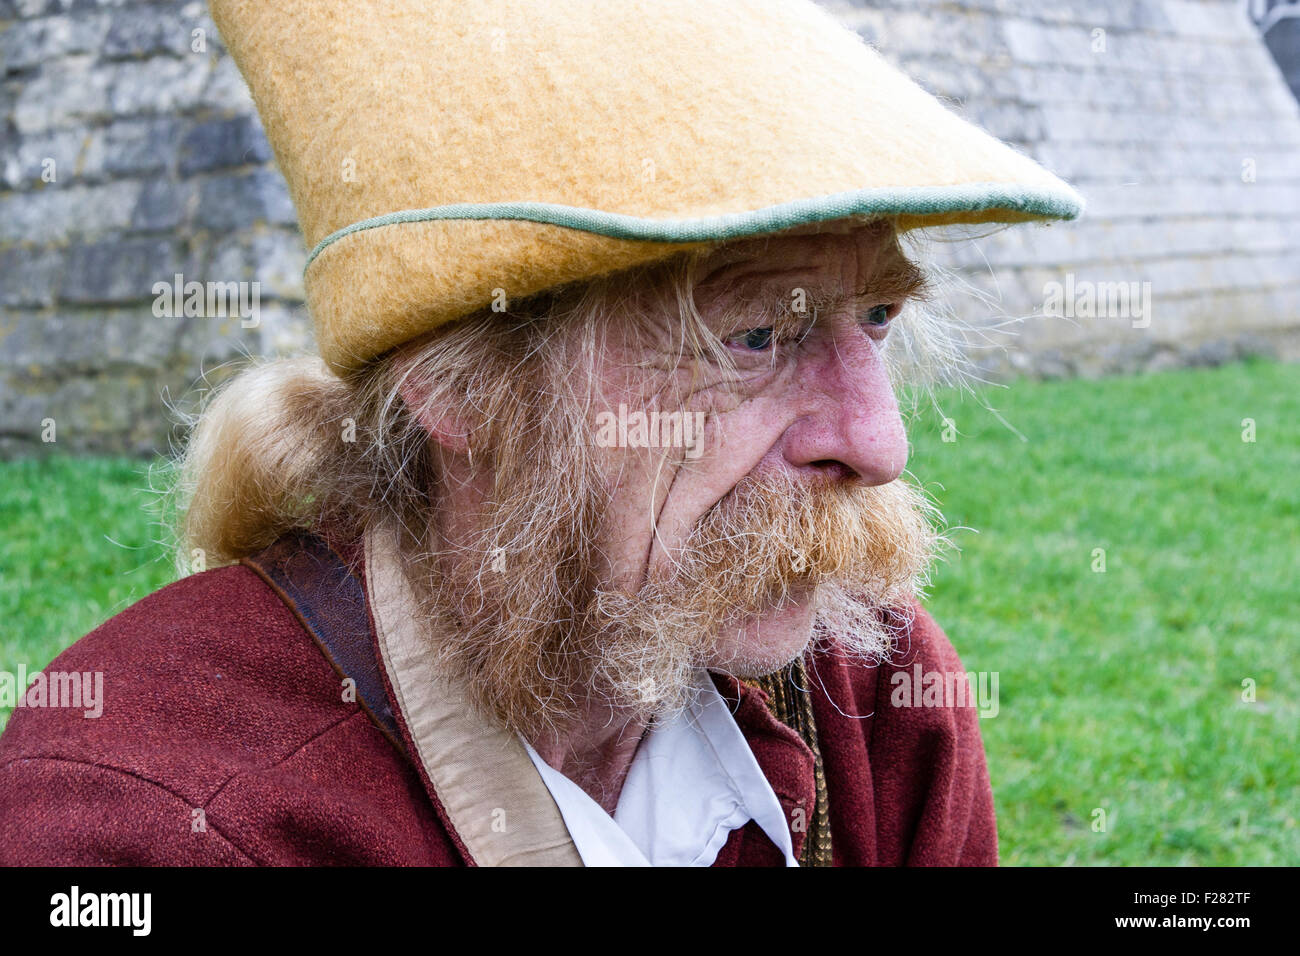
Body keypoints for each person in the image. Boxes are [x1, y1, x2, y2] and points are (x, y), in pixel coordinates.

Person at [0, 0, 1082, 866]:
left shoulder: (875, 688)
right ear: (459, 387)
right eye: (754, 334)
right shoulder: (144, 818)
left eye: (879, 317)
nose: (878, 443)